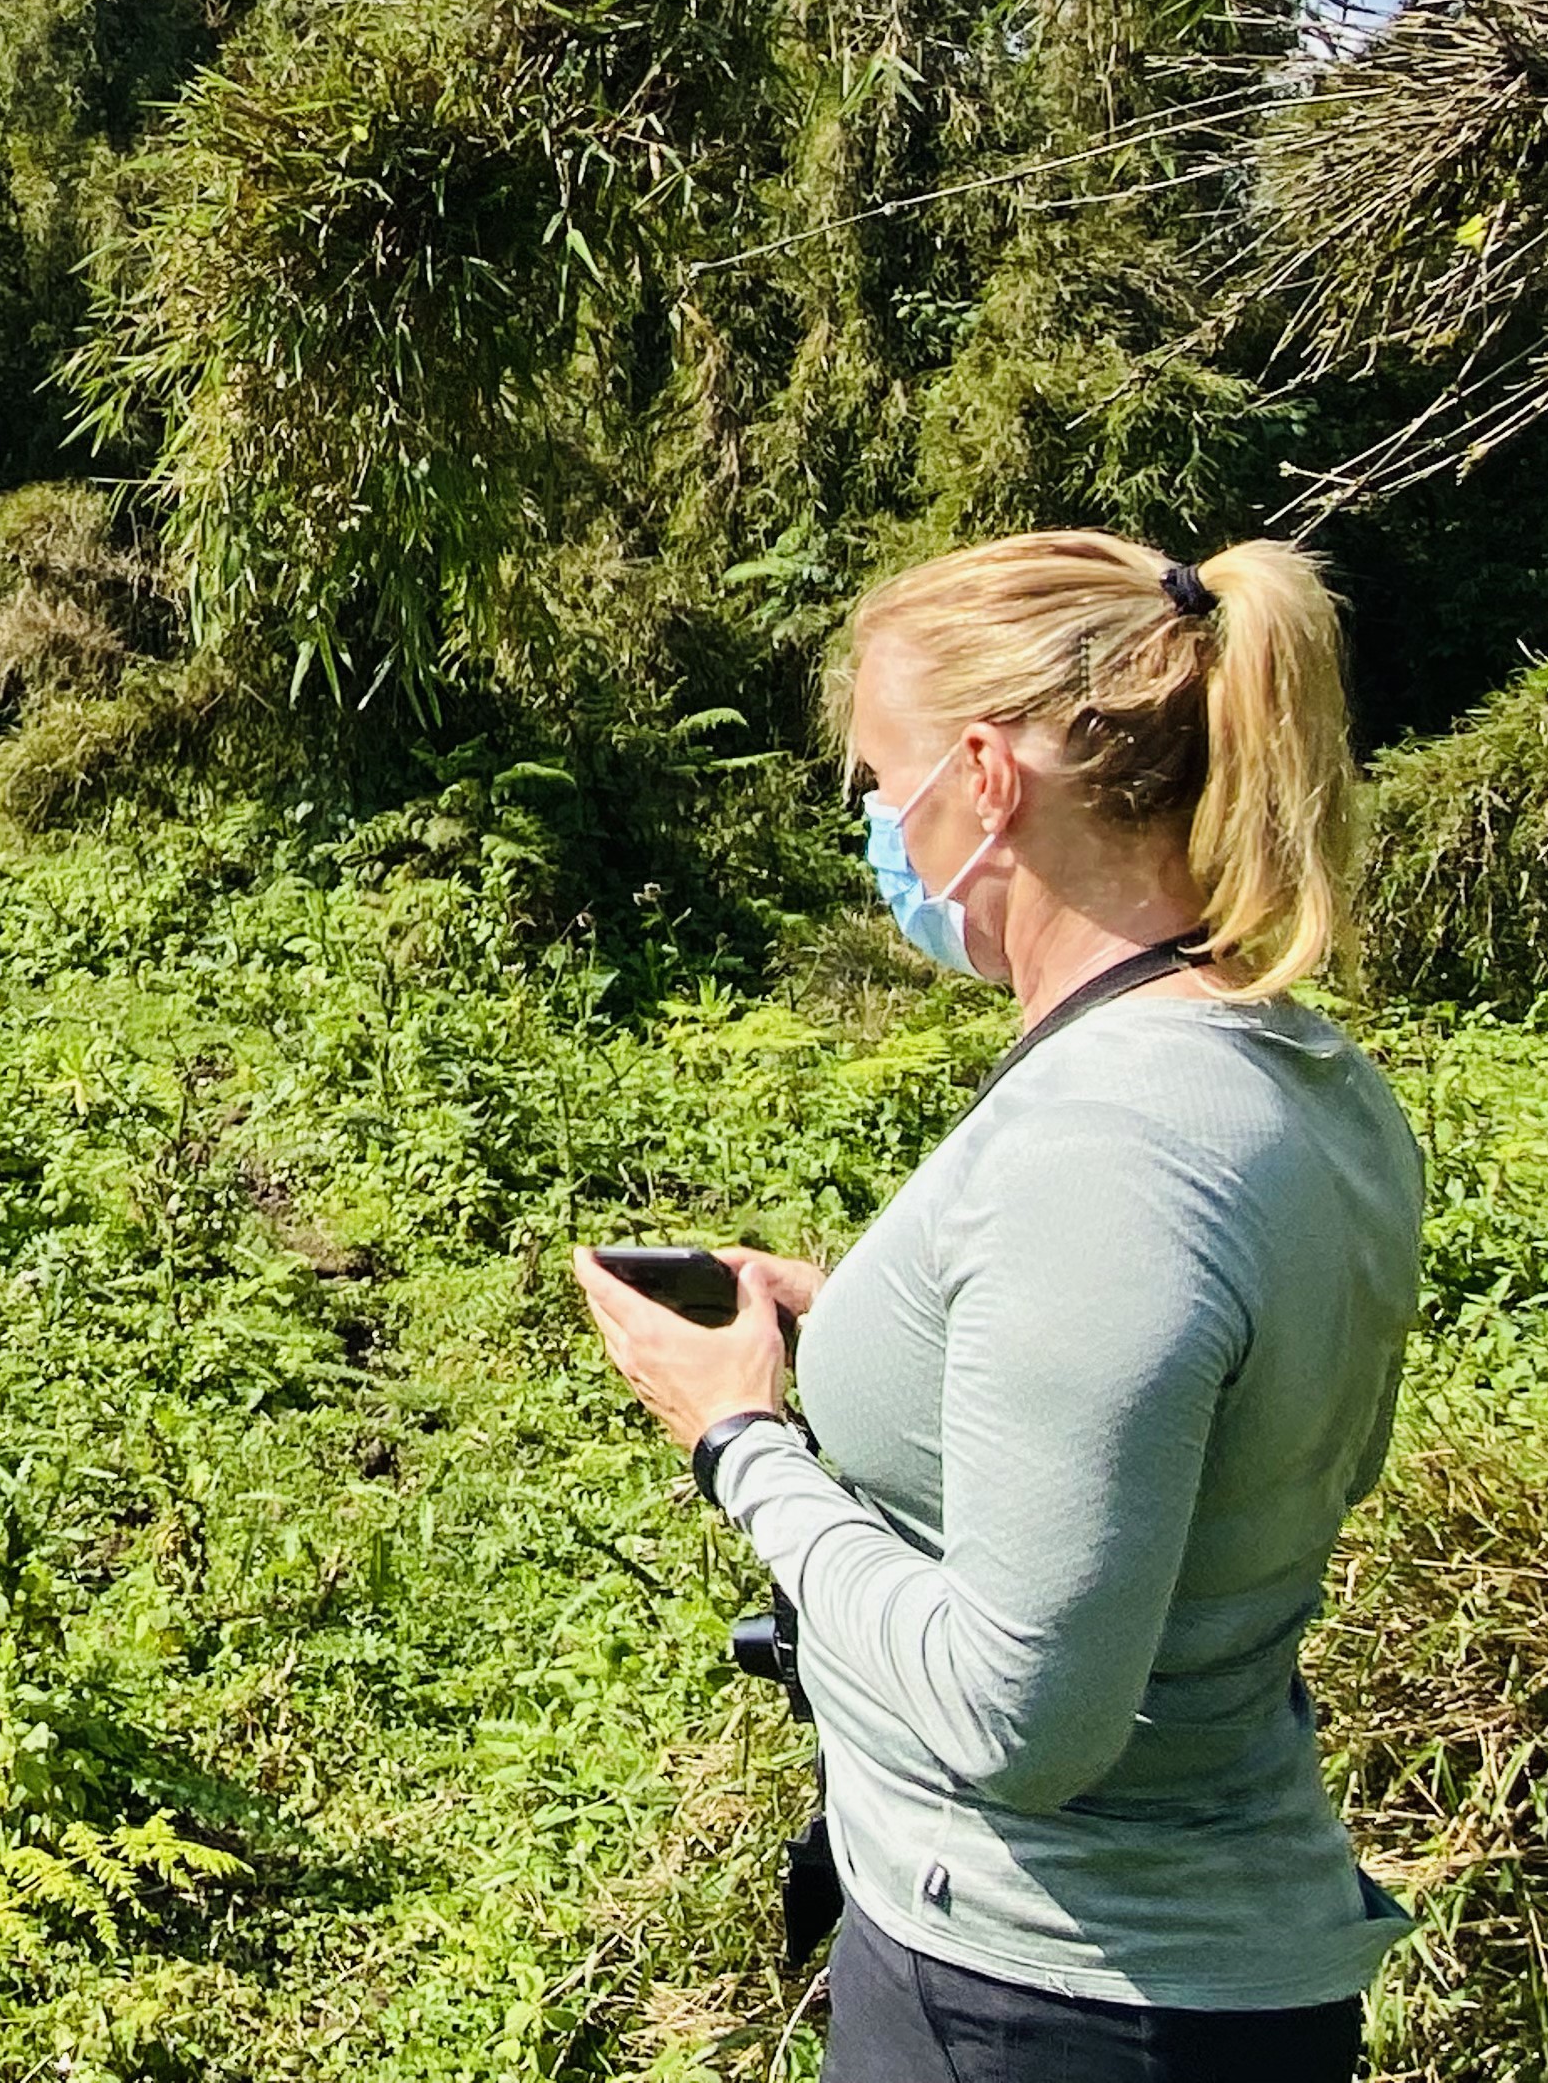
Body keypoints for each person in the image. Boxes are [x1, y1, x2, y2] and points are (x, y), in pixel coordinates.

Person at [575, 532, 1423, 2081]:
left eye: (879, 784)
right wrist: (849, 1320)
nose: (881, 829)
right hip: (1192, 1972)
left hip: (1053, 1993)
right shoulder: (1293, 1077)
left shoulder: (1108, 1152)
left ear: (984, 773)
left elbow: (1017, 1722)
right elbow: (1172, 1403)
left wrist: (736, 1438)